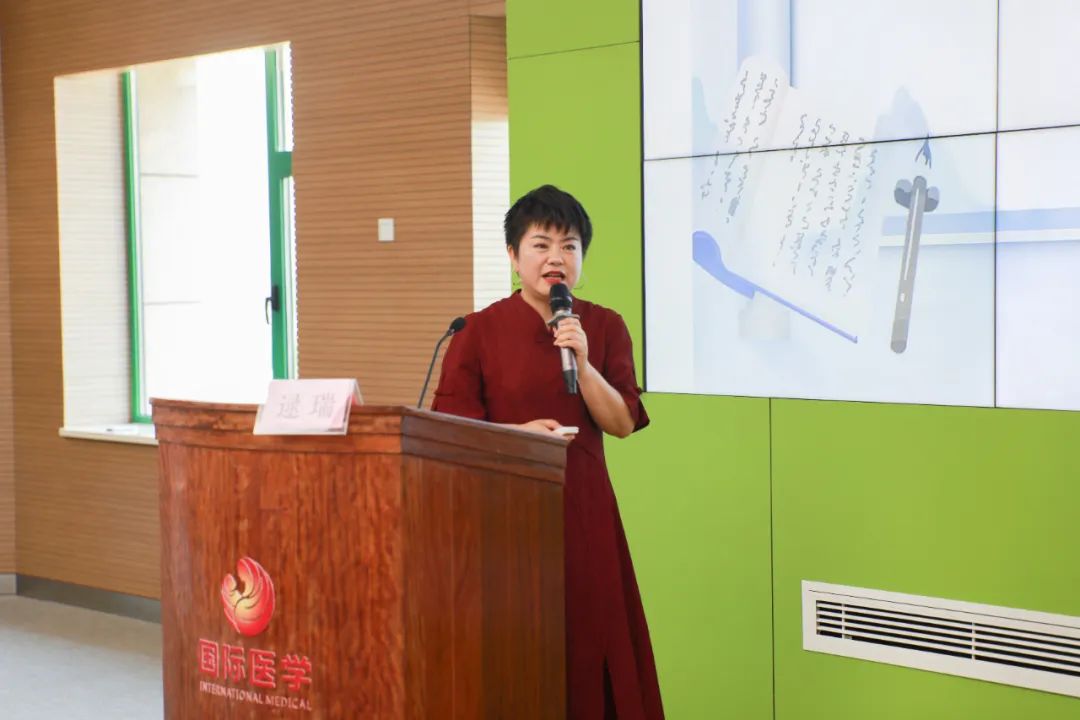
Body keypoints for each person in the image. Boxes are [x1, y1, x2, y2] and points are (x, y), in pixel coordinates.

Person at [432, 185, 665, 719]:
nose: (556, 257)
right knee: (515, 645)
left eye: (569, 245)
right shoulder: (477, 331)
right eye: (541, 245)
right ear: (513, 257)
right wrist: (519, 437)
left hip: (584, 509)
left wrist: (582, 363)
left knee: (591, 638)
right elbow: (450, 432)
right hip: (504, 513)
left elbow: (622, 423)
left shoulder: (603, 326)